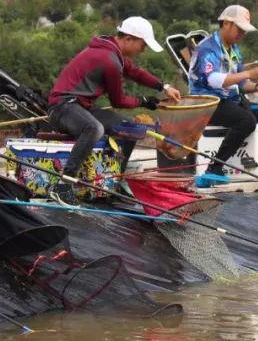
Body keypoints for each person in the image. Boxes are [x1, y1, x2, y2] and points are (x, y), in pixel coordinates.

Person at [47, 17, 182, 206]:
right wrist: (143, 101)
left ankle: (115, 183)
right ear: (128, 38)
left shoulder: (113, 51)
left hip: (81, 106)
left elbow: (135, 72)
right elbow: (118, 101)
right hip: (62, 107)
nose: (143, 50)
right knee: (94, 129)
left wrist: (164, 86)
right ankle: (63, 185)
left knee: (131, 128)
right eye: (143, 45)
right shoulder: (110, 60)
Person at [188, 5, 258, 187]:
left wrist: (256, 86)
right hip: (206, 101)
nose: (242, 34)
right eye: (239, 29)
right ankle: (214, 167)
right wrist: (249, 73)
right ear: (226, 23)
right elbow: (213, 80)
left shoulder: (234, 50)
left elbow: (240, 84)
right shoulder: (207, 48)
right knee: (246, 121)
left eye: (244, 30)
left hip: (227, 99)